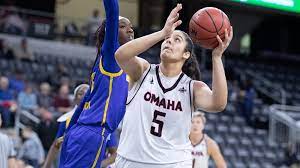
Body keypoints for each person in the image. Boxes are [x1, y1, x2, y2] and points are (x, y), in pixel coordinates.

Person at [115, 4, 233, 167]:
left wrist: (217, 57)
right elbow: (121, 55)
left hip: (172, 163)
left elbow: (218, 103)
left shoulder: (193, 88)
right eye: (167, 39)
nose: (169, 41)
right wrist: (163, 32)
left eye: (176, 40)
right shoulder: (143, 71)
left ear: (186, 54)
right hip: (130, 161)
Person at [59, 0, 134, 166]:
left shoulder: (116, 64)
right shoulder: (112, 56)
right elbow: (113, 11)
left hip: (81, 132)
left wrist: (69, 132)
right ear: (111, 32)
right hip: (92, 132)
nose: (130, 29)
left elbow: (84, 102)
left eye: (131, 26)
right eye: (122, 26)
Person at [42, 84, 89, 168]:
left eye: (87, 93)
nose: (84, 95)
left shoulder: (100, 120)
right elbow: (56, 146)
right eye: (81, 93)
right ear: (74, 99)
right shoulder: (66, 119)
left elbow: (113, 151)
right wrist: (46, 166)